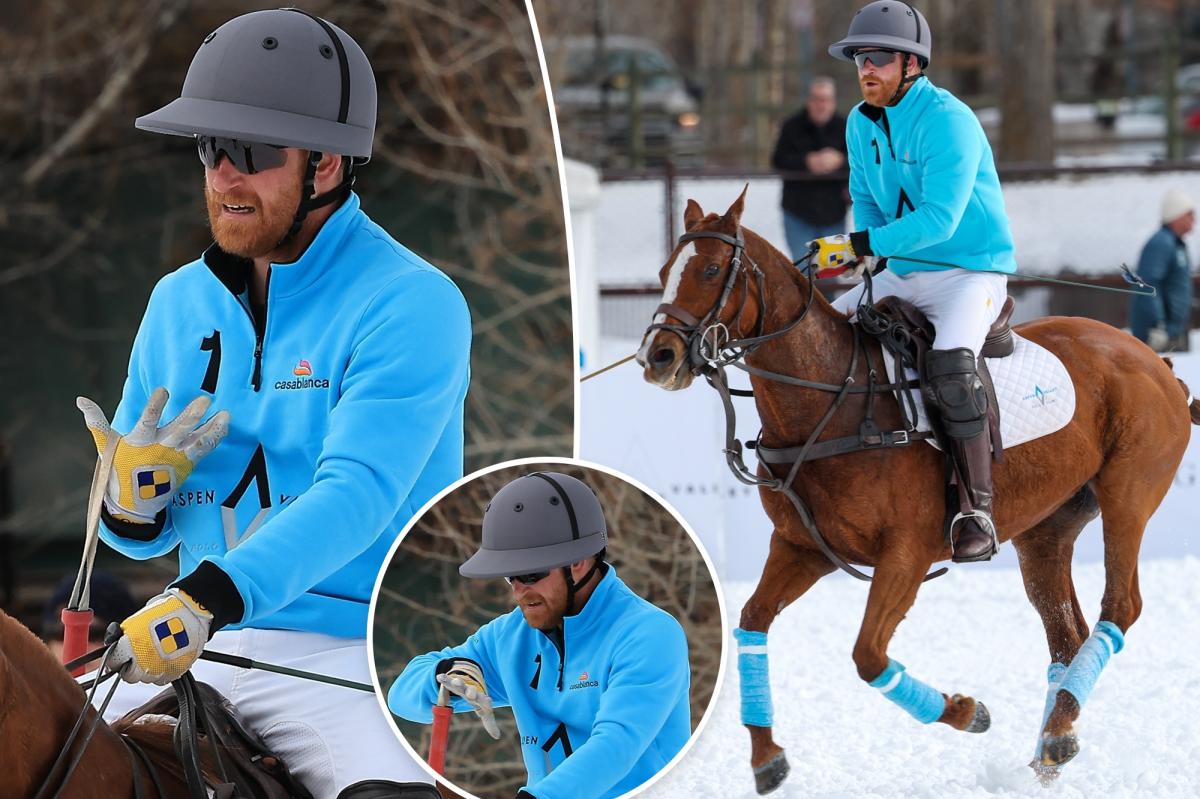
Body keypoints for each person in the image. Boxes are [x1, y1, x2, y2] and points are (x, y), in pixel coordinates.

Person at [74, 9, 471, 798]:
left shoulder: (411, 302)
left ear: (326, 165)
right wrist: (129, 503)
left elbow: (356, 494)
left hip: (346, 653)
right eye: (210, 148)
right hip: (187, 639)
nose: (224, 175)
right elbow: (139, 539)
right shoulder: (175, 301)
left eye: (252, 152)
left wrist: (208, 596)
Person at [806, 1, 1016, 563]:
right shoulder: (858, 122)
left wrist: (863, 244)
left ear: (912, 64)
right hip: (902, 272)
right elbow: (867, 201)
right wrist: (866, 255)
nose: (866, 69)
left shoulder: (950, 120)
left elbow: (940, 220)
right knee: (816, 337)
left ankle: (976, 510)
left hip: (969, 273)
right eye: (859, 58)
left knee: (950, 365)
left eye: (878, 57)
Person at [387, 472, 691, 799]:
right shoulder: (509, 636)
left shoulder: (650, 634)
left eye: (531, 574)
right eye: (510, 576)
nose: (519, 591)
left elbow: (617, 743)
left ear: (578, 562)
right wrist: (444, 676)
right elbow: (401, 698)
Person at [771, 76, 849, 261]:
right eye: (817, 99)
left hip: (834, 213)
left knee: (832, 269)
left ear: (833, 102)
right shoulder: (791, 126)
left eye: (826, 100)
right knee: (803, 269)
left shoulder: (846, 127)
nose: (821, 105)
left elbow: (863, 163)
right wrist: (807, 161)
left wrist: (840, 160)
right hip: (798, 212)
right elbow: (778, 160)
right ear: (808, 101)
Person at [1130, 188, 1195, 352]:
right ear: (1176, 215)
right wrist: (1157, 325)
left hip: (1174, 330)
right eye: (1189, 214)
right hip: (1159, 335)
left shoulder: (1177, 244)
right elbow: (1147, 284)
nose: (1194, 219)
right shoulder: (1161, 243)